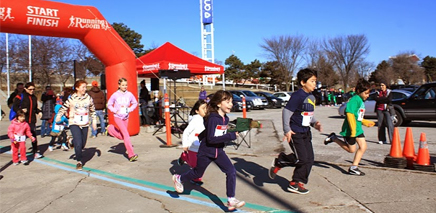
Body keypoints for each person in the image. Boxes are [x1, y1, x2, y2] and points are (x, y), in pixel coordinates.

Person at [172, 90, 245, 211]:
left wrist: (231, 133)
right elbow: (211, 139)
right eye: (227, 102)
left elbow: (216, 134)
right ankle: (179, 178)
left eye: (231, 102)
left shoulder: (225, 119)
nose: (231, 104)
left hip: (218, 152)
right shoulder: (212, 118)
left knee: (231, 171)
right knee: (197, 173)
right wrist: (230, 136)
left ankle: (231, 199)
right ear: (218, 103)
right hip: (206, 151)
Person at [268, 68, 322, 195]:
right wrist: (287, 130)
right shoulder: (297, 96)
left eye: (315, 81)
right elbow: (286, 111)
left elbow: (307, 114)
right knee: (302, 158)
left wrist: (315, 123)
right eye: (312, 81)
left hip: (306, 132)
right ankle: (285, 167)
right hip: (295, 132)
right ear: (303, 82)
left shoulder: (311, 97)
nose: (315, 84)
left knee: (309, 159)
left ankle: (296, 181)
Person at [324, 78, 375, 176]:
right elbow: (350, 114)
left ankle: (354, 167)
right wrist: (352, 131)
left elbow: (357, 116)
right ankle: (334, 138)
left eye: (368, 94)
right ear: (359, 91)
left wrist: (365, 122)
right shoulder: (355, 100)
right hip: (350, 130)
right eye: (366, 93)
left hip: (357, 128)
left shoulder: (360, 100)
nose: (367, 96)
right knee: (351, 150)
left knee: (363, 147)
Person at [56, 80, 97, 170]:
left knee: (82, 144)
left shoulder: (88, 98)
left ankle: (71, 141)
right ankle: (79, 161)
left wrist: (94, 122)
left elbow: (92, 111)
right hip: (74, 122)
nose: (84, 89)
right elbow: (63, 108)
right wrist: (58, 117)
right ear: (77, 88)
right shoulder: (72, 99)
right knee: (78, 143)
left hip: (85, 123)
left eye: (85, 87)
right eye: (83, 87)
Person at [106, 78, 139, 162]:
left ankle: (110, 129)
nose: (125, 87)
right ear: (119, 85)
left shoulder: (130, 94)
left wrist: (129, 109)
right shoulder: (115, 95)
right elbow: (109, 104)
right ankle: (131, 155)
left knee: (123, 136)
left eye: (126, 85)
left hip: (125, 117)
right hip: (117, 117)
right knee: (126, 135)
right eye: (123, 85)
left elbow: (135, 103)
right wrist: (114, 110)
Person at [177, 99, 207, 185]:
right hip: (193, 145)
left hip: (201, 146)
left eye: (206, 108)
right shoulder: (196, 119)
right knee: (195, 164)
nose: (206, 110)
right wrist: (185, 144)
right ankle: (184, 157)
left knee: (201, 163)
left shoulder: (205, 119)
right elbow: (186, 132)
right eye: (203, 108)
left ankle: (196, 178)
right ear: (197, 111)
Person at [12, 82, 43, 159]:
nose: (32, 91)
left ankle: (35, 151)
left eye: (33, 89)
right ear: (25, 89)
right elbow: (14, 107)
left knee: (33, 136)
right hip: (22, 120)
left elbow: (35, 108)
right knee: (21, 137)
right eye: (30, 89)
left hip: (31, 120)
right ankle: (16, 151)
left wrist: (39, 112)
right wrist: (21, 111)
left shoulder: (34, 98)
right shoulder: (20, 96)